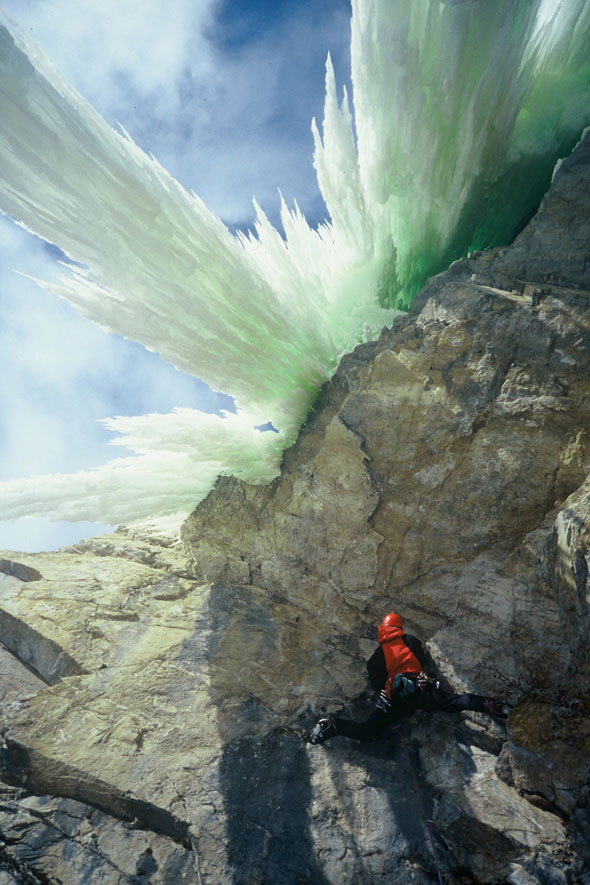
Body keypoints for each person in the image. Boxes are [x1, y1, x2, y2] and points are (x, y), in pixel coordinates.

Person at [307, 612, 509, 744]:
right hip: (421, 688)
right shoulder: (411, 640)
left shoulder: (377, 657)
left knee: (368, 731)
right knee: (454, 702)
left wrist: (390, 702)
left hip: (396, 696)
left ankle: (332, 726)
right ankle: (491, 705)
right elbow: (421, 662)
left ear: (383, 630)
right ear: (399, 627)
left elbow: (378, 685)